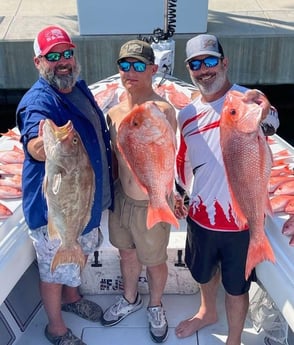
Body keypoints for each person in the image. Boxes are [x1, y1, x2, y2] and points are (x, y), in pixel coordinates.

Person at [173, 34, 279, 345]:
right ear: (190, 70)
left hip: (242, 220)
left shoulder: (247, 100)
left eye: (210, 60)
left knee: (237, 286)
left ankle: (234, 339)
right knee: (203, 275)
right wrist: (179, 195)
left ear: (225, 62)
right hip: (202, 216)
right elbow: (184, 159)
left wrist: (264, 111)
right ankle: (207, 312)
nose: (204, 69)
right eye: (196, 64)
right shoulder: (186, 114)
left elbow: (271, 122)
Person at [16, 25, 113, 345]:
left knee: (79, 250)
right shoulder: (38, 101)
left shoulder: (78, 86)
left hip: (83, 200)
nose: (63, 61)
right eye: (53, 56)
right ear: (38, 62)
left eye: (67, 53)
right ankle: (55, 328)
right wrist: (45, 145)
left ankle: (73, 298)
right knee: (53, 271)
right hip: (53, 210)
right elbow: (34, 141)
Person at [101, 39, 177, 343]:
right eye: (124, 65)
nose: (130, 72)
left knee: (155, 260)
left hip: (152, 200)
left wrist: (175, 196)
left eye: (138, 66)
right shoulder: (114, 113)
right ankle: (130, 298)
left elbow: (168, 153)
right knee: (126, 254)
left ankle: (155, 305)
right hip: (122, 200)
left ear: (153, 69)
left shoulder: (162, 111)